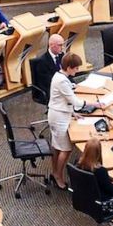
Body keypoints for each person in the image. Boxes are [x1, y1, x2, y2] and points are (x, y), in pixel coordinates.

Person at [46, 52, 84, 187]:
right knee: (66, 149)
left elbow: (62, 99)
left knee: (57, 146)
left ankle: (55, 172)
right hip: (59, 117)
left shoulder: (60, 76)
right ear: (68, 67)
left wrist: (73, 113)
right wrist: (93, 104)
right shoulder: (62, 80)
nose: (77, 70)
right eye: (76, 68)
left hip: (59, 114)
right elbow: (74, 100)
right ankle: (58, 176)